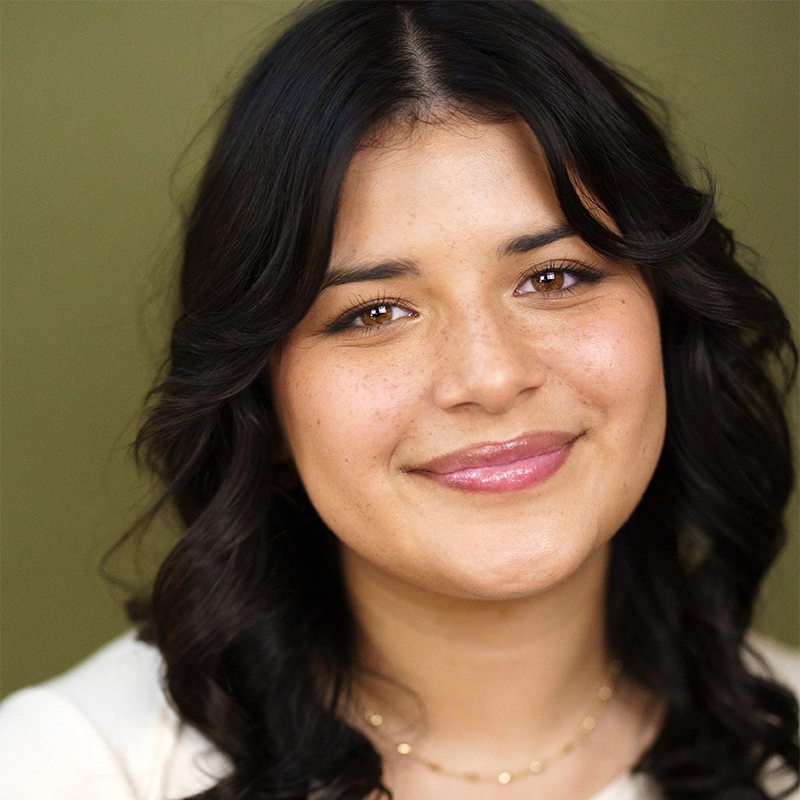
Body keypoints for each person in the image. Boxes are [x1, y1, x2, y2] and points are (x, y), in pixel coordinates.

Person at [0, 1, 797, 799]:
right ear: (263, 401)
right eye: (373, 313)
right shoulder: (68, 769)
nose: (488, 377)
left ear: (669, 318)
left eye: (553, 277)